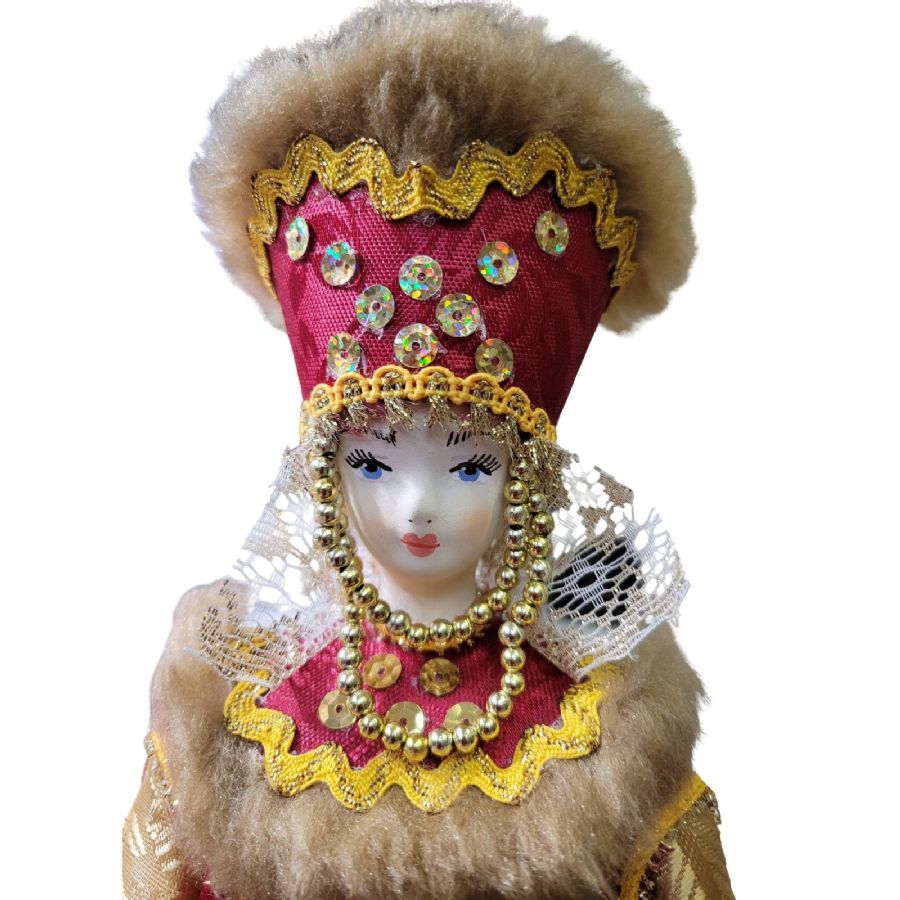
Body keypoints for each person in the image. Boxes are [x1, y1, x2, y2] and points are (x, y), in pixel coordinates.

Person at [122, 3, 734, 897]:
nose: (416, 505)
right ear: (322, 469)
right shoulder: (237, 727)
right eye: (372, 462)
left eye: (469, 464)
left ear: (530, 475)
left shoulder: (604, 736)